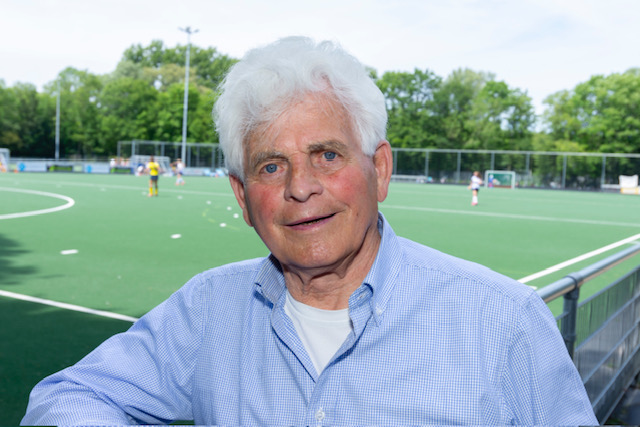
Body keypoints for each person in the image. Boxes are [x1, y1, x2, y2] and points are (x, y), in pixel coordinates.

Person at [21, 37, 598, 426]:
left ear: (379, 170)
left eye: (327, 155)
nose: (301, 187)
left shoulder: (504, 322)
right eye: (271, 166)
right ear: (243, 198)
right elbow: (67, 397)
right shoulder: (208, 310)